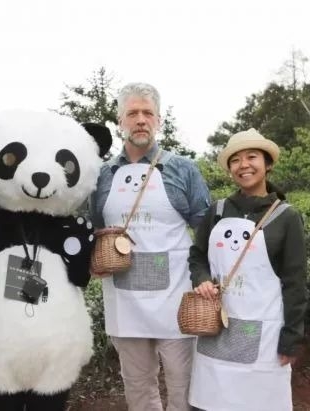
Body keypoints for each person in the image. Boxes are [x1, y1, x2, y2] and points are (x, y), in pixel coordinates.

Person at [89, 82, 211, 411]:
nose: (140, 120)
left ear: (158, 121)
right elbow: (92, 228)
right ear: (120, 121)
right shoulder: (102, 175)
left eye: (147, 113)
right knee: (137, 384)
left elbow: (206, 228)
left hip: (176, 295)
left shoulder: (182, 168)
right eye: (132, 113)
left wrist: (208, 278)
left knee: (182, 380)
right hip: (124, 297)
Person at [188, 128, 308, 411]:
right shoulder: (217, 211)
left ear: (267, 164)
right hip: (215, 330)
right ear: (230, 169)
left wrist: (292, 337)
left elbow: (296, 282)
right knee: (213, 402)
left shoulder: (286, 217)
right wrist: (202, 279)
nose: (244, 165)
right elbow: (197, 255)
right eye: (235, 160)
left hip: (265, 334)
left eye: (252, 157)